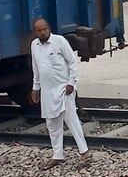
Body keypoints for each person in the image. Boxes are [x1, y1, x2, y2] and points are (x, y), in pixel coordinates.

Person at [29, 17, 91, 169]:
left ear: (49, 28)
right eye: (39, 30)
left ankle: (85, 153)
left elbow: (72, 62)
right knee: (52, 123)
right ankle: (58, 155)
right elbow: (36, 69)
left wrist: (71, 82)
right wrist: (35, 88)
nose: (43, 32)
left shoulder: (60, 41)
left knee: (71, 120)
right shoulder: (34, 45)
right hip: (47, 91)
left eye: (45, 29)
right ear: (35, 32)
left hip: (63, 89)